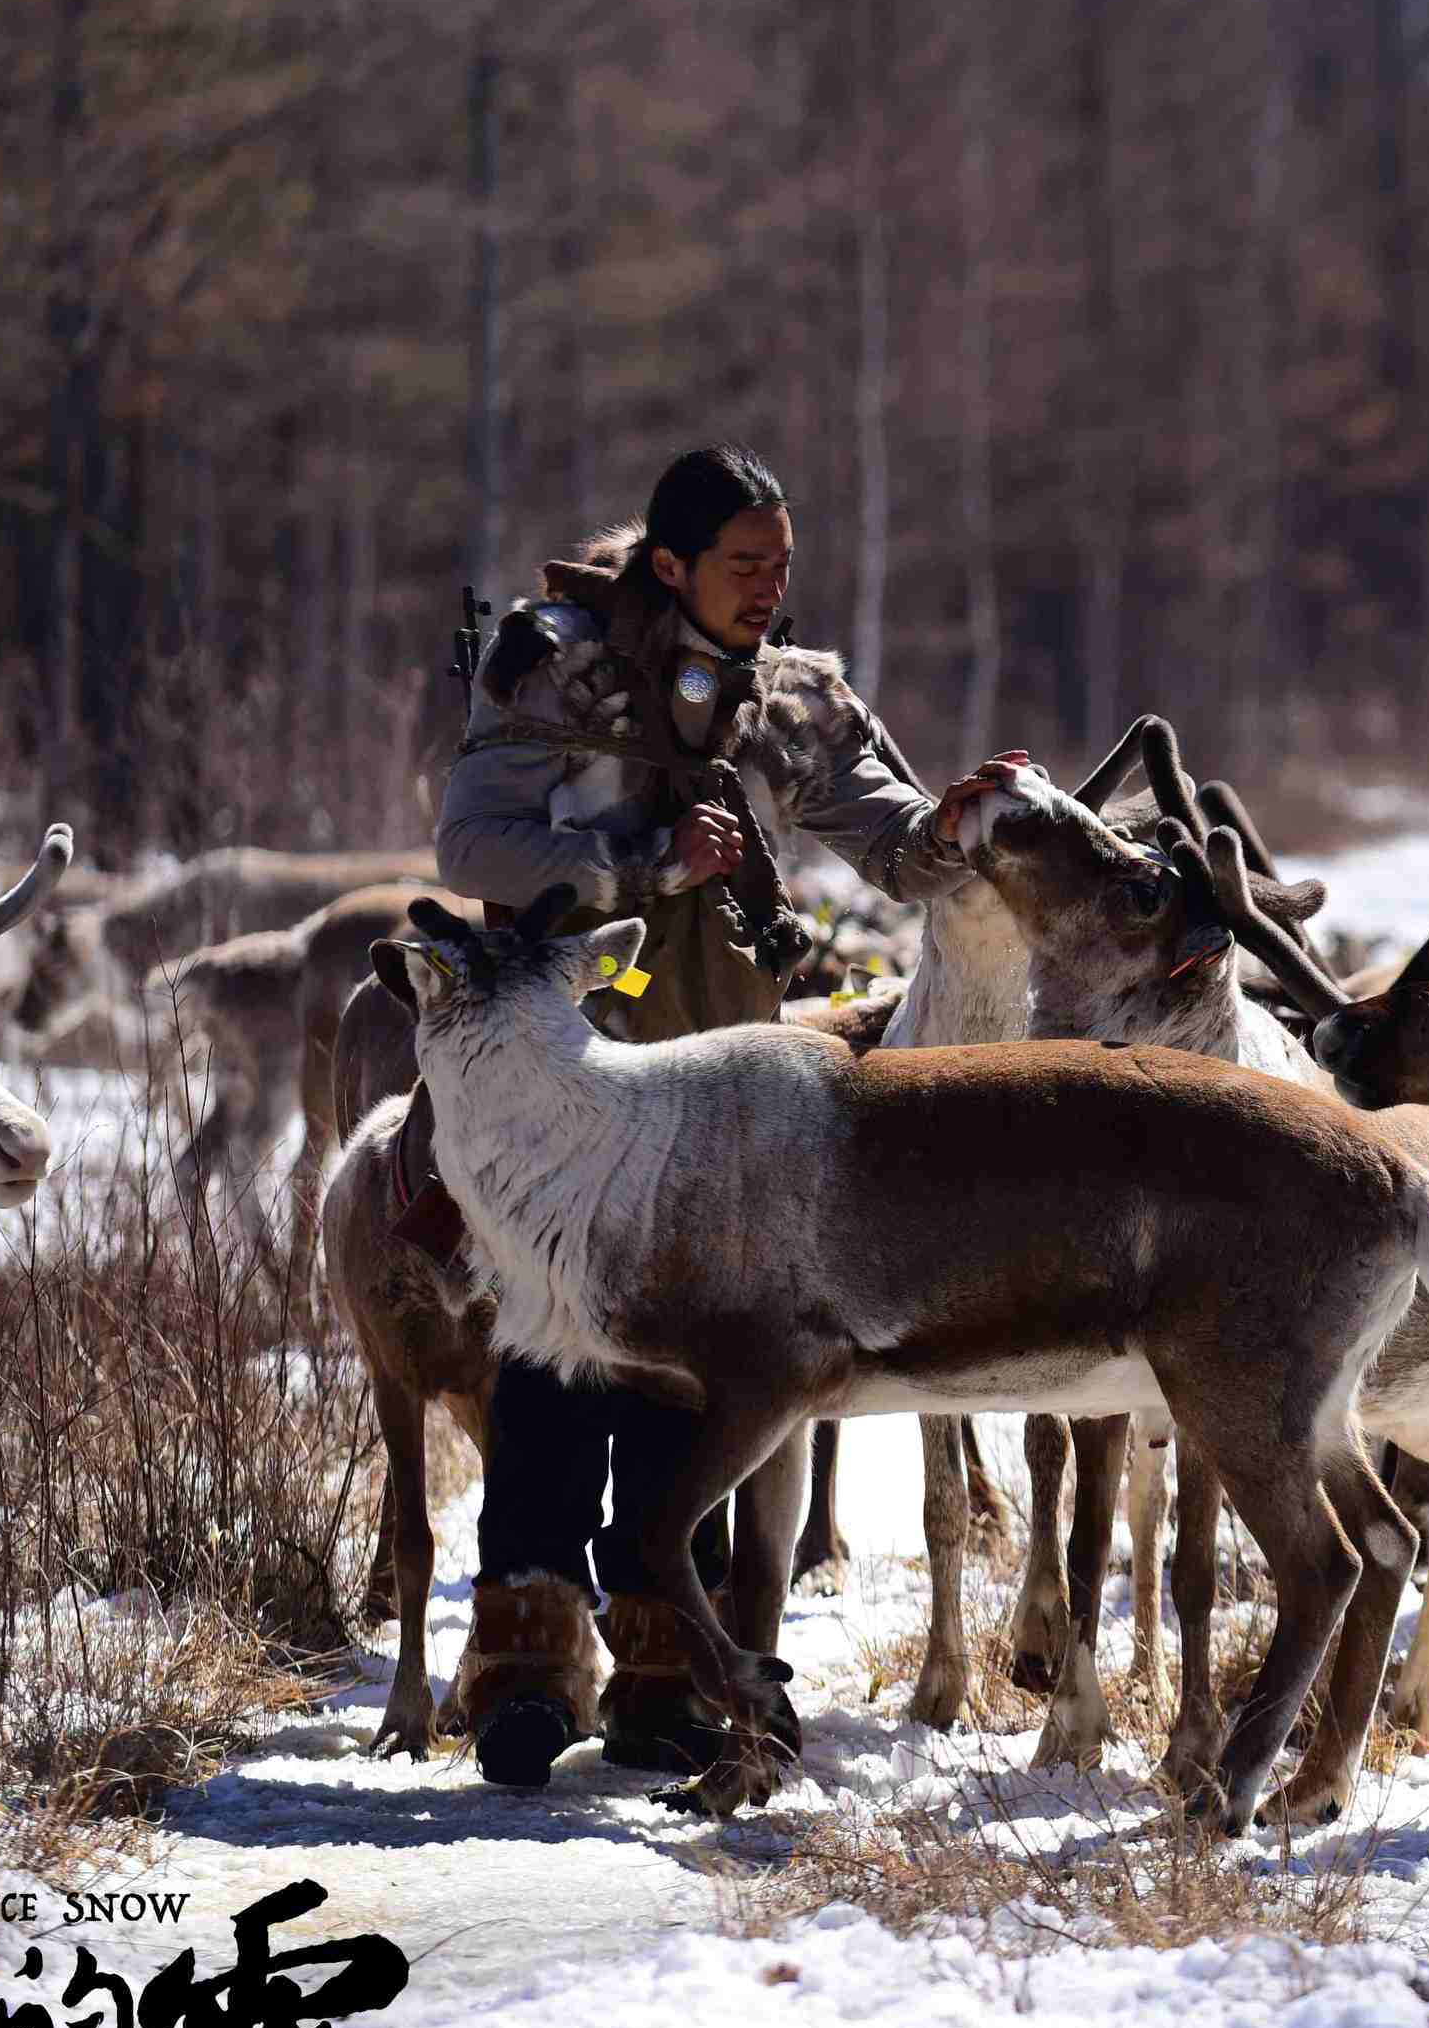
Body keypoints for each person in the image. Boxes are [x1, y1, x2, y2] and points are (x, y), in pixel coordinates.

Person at [416, 444, 1025, 1790]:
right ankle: (523, 1656)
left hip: (716, 1097)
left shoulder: (791, 702)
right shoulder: (549, 661)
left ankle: (666, 1670)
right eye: (746, 564)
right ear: (675, 564)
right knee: (552, 1353)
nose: (771, 588)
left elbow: (892, 842)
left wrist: (962, 823)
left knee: (698, 1373)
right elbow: (468, 846)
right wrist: (635, 862)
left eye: (784, 565)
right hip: (563, 1075)